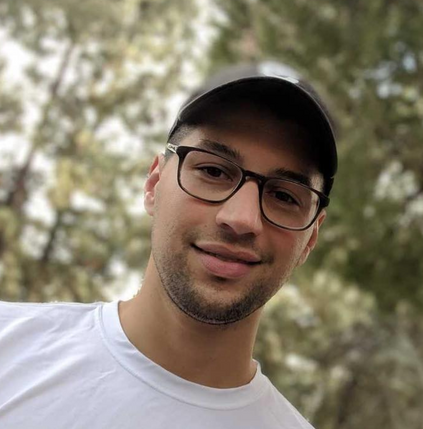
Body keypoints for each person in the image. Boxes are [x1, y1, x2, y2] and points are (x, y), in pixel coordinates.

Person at [0, 61, 337, 428]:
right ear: (154, 184)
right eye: (213, 171)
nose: (241, 219)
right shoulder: (10, 349)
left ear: (310, 238)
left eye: (285, 196)